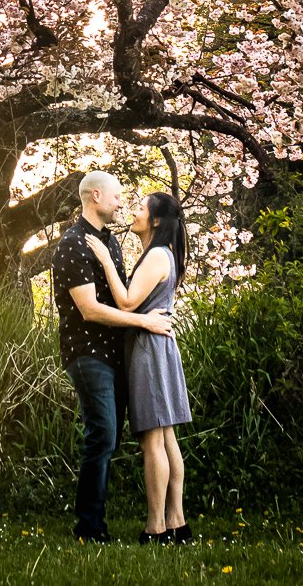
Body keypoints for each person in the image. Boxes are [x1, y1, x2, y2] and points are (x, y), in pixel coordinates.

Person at [51, 170, 174, 543]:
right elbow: (89, 310)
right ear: (95, 197)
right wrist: (145, 323)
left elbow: (125, 295)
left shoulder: (109, 244)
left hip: (114, 352)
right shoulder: (73, 244)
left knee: (112, 438)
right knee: (102, 434)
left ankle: (115, 520)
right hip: (88, 352)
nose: (122, 203)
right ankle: (89, 528)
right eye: (117, 196)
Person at [83, 190, 192, 544]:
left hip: (149, 349)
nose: (134, 211)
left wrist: (104, 260)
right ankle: (177, 522)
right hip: (157, 346)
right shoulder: (162, 254)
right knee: (166, 437)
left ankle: (156, 527)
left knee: (152, 440)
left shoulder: (157, 255)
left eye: (141, 208)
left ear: (156, 221)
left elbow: (128, 303)